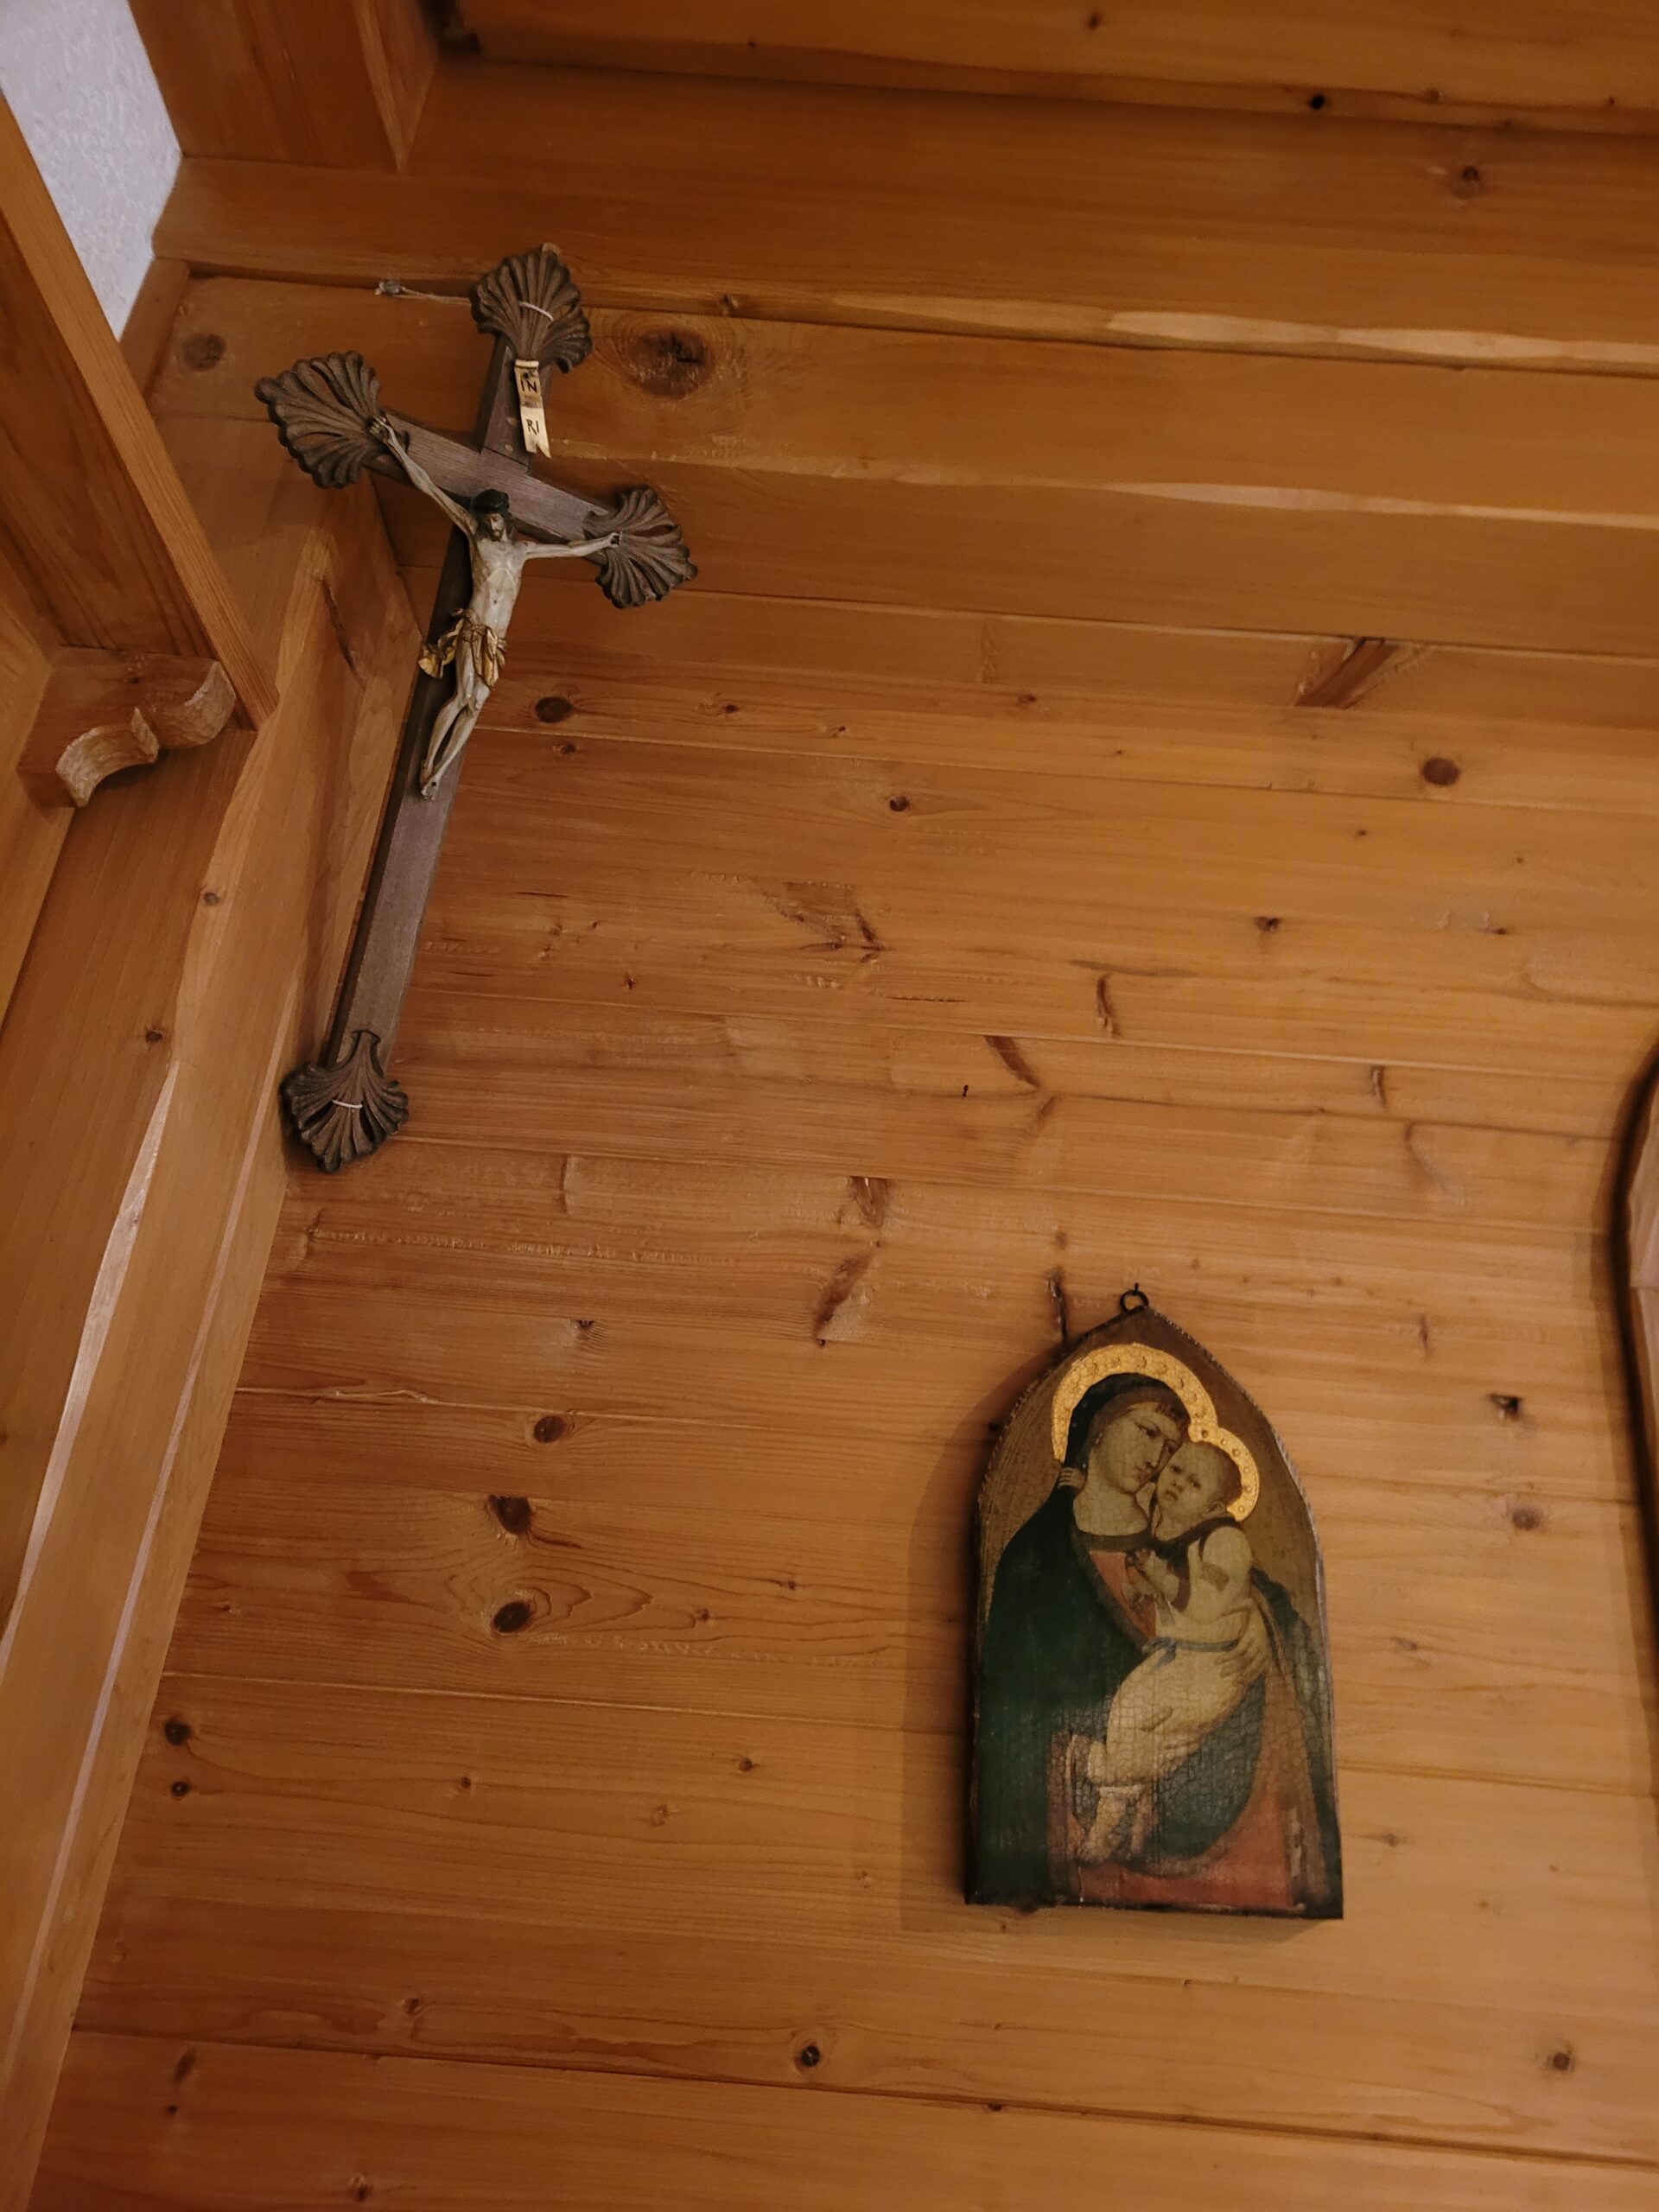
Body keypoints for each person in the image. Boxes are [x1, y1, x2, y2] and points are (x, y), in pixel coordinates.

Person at [971, 1374, 1185, 1904]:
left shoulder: (1179, 1546)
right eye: (1147, 1432)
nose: (1155, 1458)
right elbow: (1010, 1704)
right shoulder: (1037, 1555)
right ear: (1100, 1429)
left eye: (1170, 1448)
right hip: (1072, 1795)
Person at [372, 417, 617, 795]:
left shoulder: (522, 551)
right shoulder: (476, 538)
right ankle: (427, 762)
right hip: (474, 628)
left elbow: (570, 550)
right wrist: (395, 446)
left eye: (497, 518)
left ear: (506, 517)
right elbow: (430, 488)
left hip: (496, 640)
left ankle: (439, 772)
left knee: (476, 706)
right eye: (488, 519)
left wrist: (604, 544)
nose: (493, 524)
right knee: (461, 697)